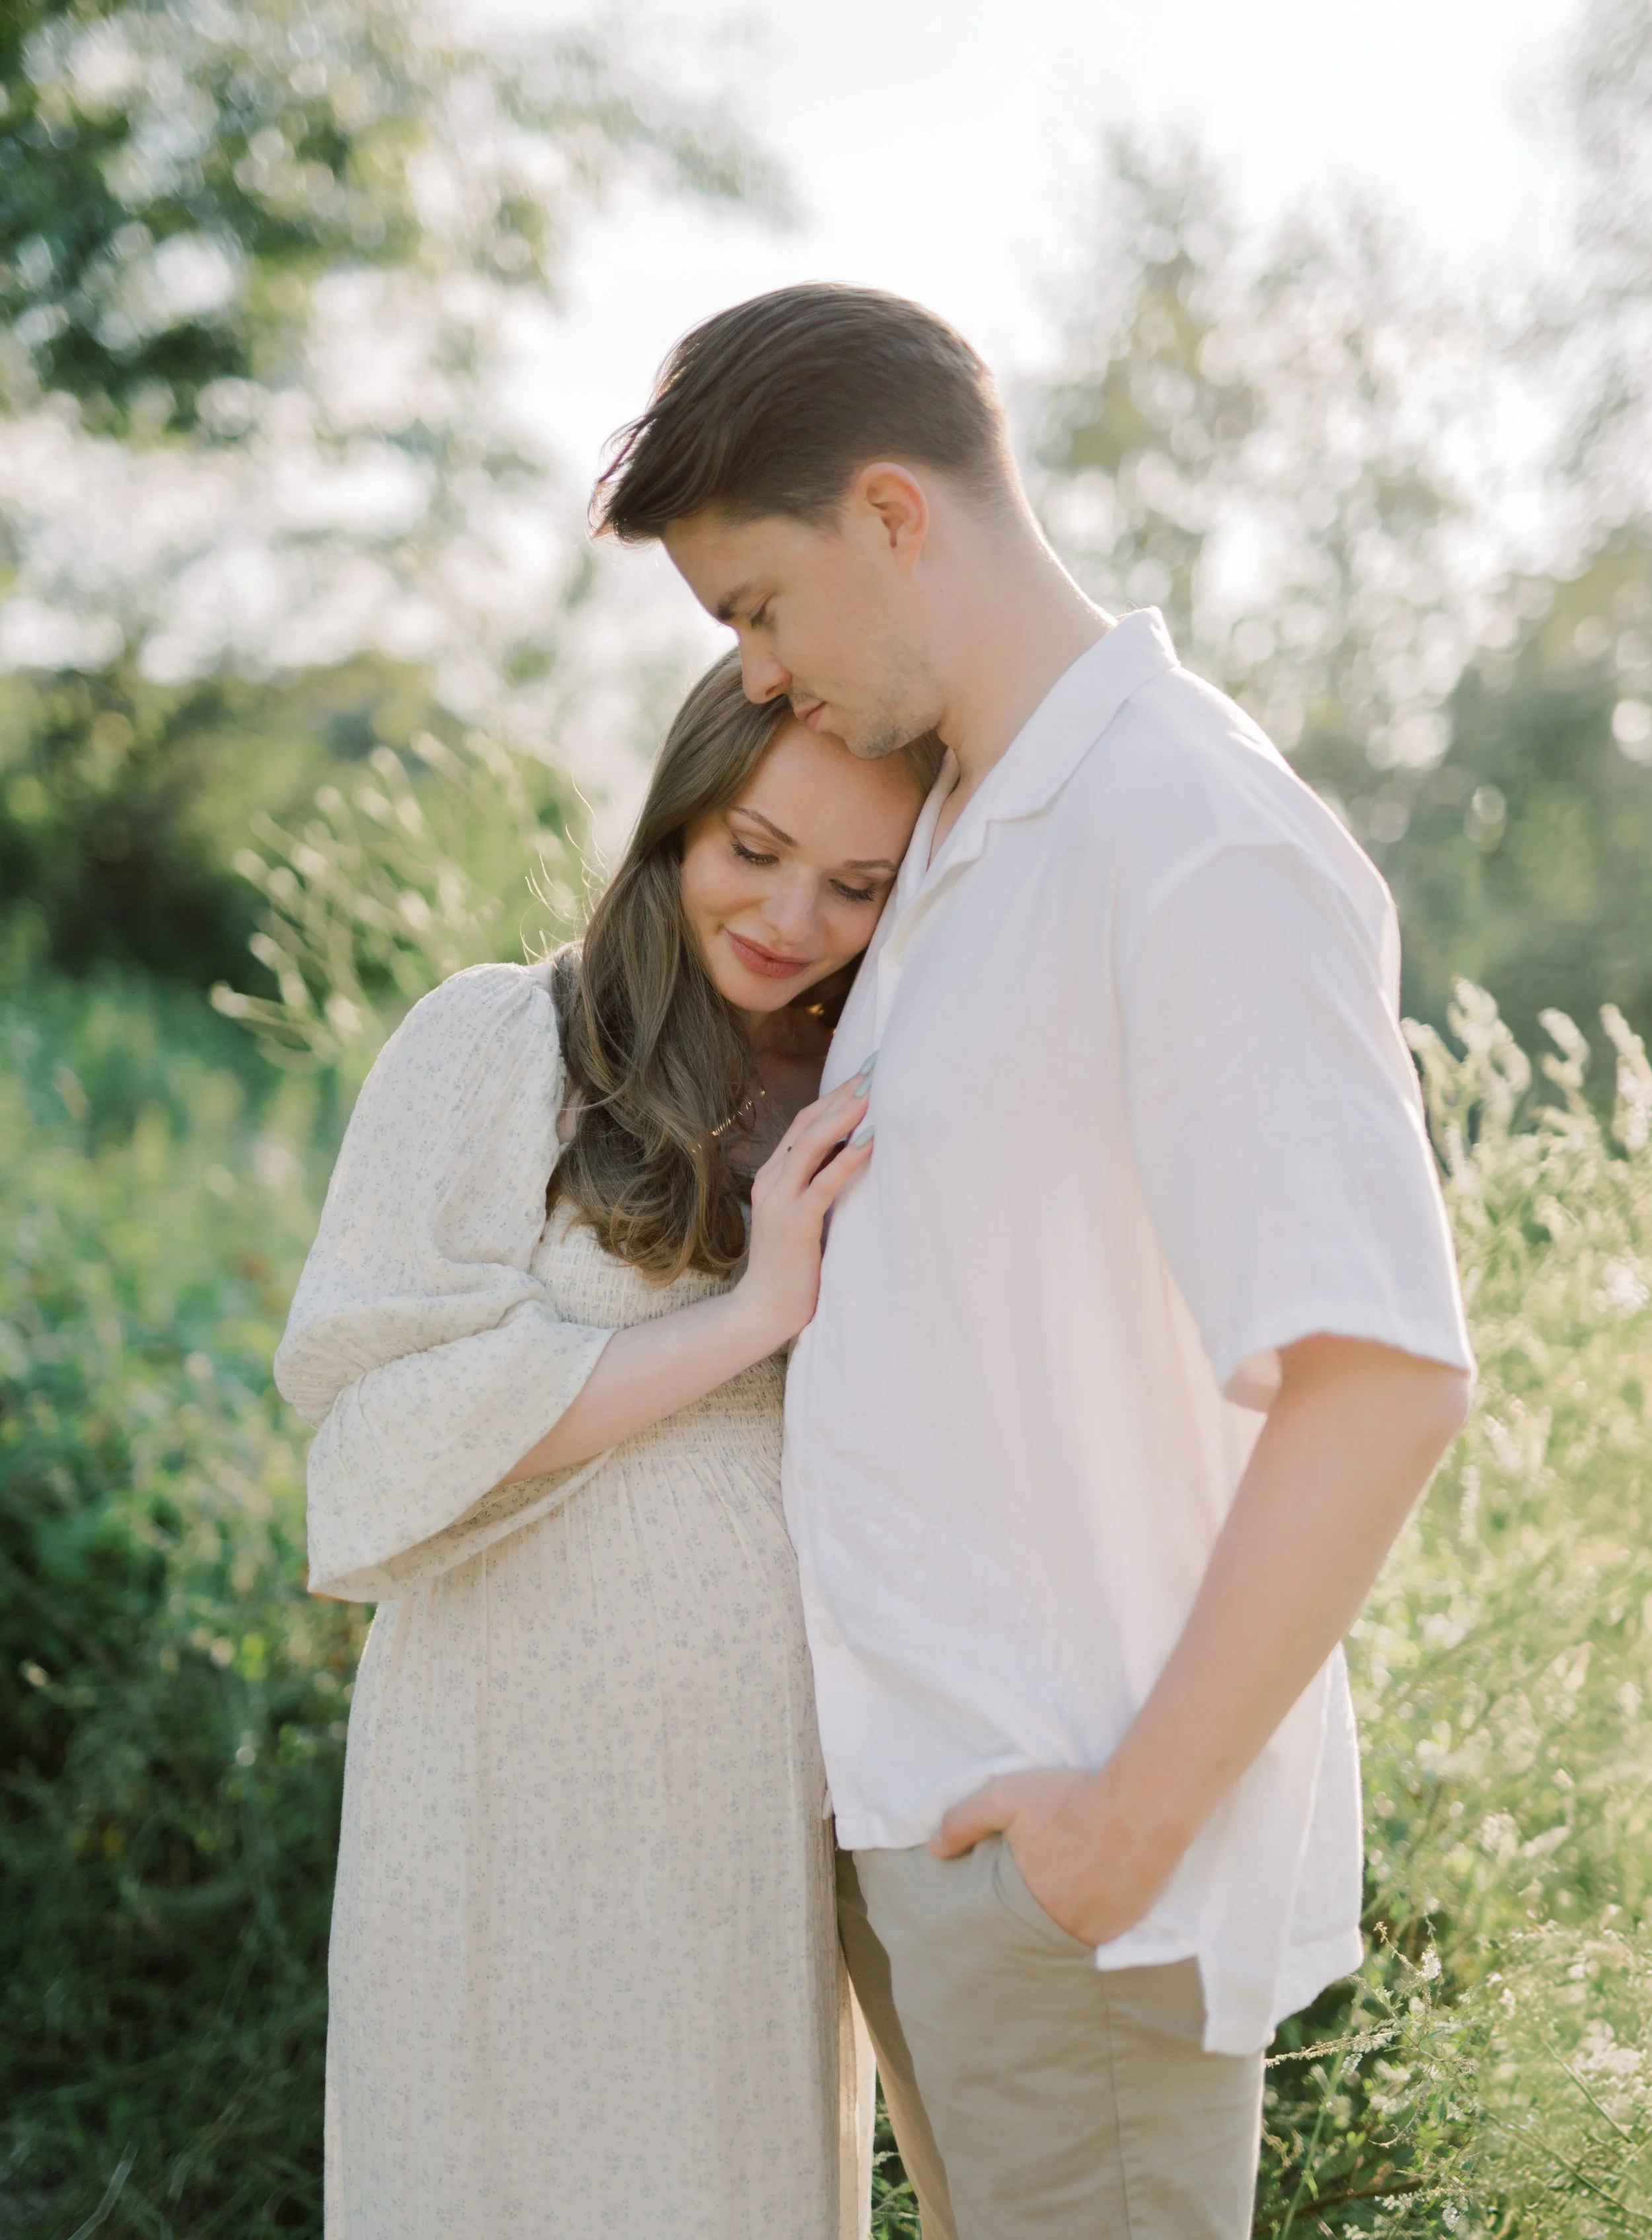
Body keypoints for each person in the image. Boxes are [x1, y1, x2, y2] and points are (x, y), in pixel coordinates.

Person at [593, 284, 1476, 2240]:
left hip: (1068, 1866)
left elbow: (1385, 1373)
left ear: (891, 517)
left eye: (755, 608)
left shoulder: (1182, 832)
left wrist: (1118, 1826)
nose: (754, 672)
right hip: (928, 1834)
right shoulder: (959, 840)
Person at [274, 653, 938, 2240]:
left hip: (741, 1786)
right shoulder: (507, 1040)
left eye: (855, 885)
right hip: (497, 1762)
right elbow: (378, 1430)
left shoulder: (867, 1088)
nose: (791, 917)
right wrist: (752, 1308)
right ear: (674, 820)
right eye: (752, 851)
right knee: (489, 2160)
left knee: (716, 2176)